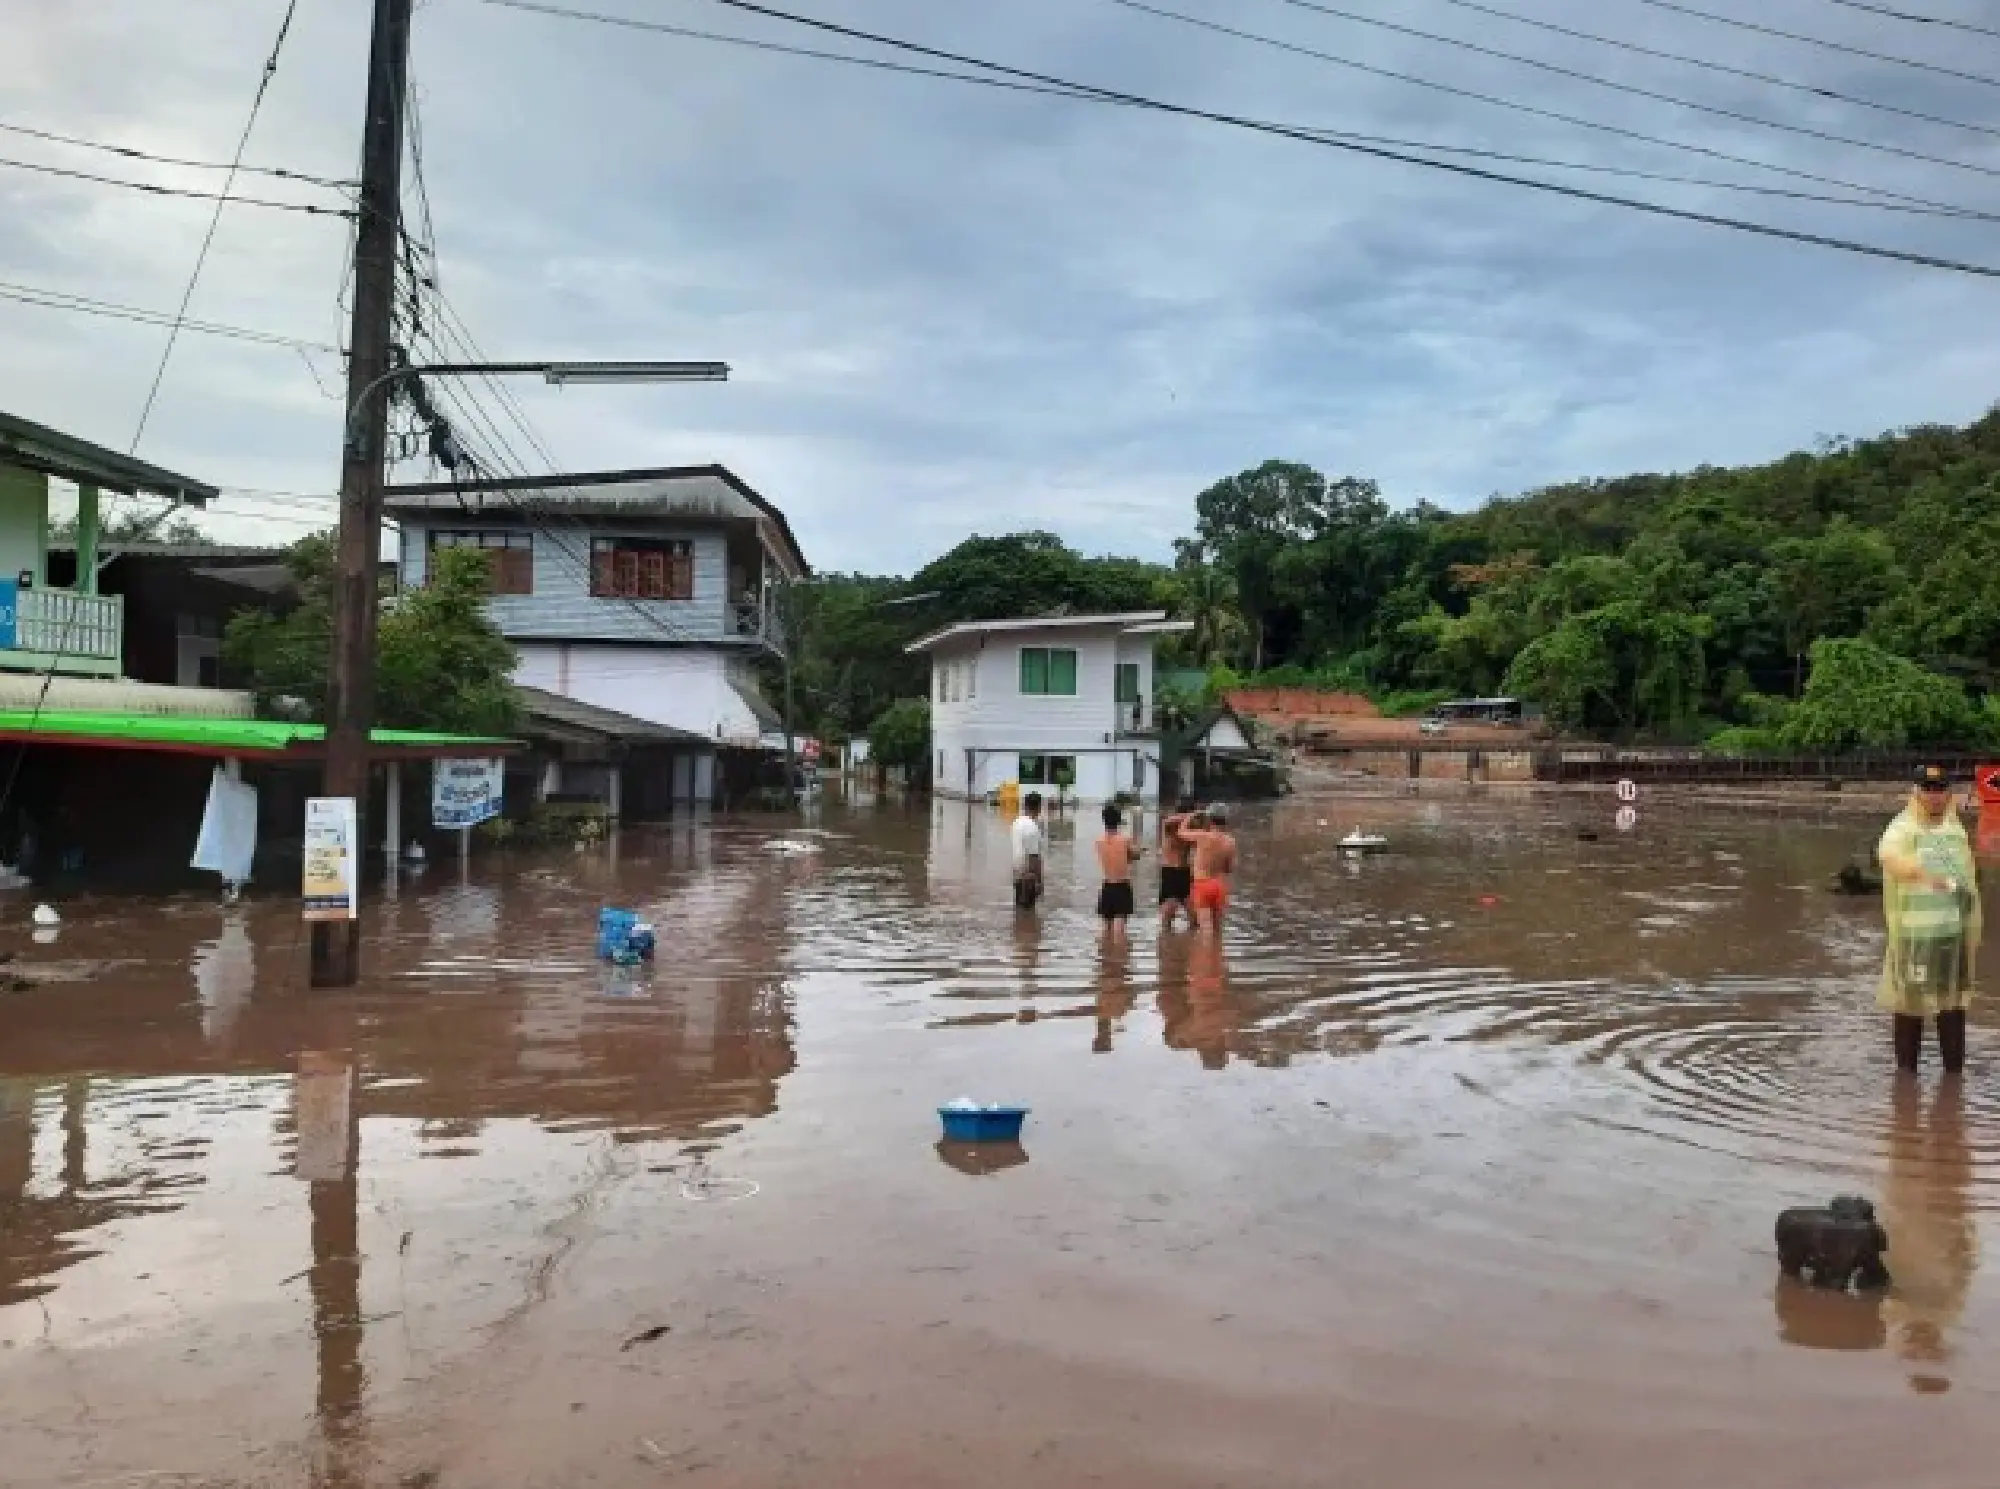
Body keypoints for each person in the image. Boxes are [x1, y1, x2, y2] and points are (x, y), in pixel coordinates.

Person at [1877, 765, 1982, 1076]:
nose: (1934, 796)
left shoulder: (1956, 831)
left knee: (1952, 1006)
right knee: (1910, 1008)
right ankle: (1906, 1082)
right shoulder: (1903, 827)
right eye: (1928, 789)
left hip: (1952, 934)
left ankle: (1954, 1076)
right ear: (1917, 792)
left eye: (1939, 789)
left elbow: (1967, 881)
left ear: (1949, 793)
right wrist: (1922, 874)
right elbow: (1887, 855)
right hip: (1914, 935)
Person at [1179, 802, 1238, 937]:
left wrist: (1190, 816)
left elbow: (1181, 832)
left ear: (1210, 819)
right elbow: (1230, 868)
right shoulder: (1230, 841)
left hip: (1202, 884)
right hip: (1220, 885)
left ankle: (1206, 956)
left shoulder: (1202, 836)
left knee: (1206, 930)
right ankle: (1217, 956)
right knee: (1217, 930)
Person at [1094, 803, 1143, 943]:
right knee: (1119, 929)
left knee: (1105, 927)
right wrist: (1139, 849)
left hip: (1107, 886)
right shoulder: (1125, 840)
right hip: (1122, 886)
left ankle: (1105, 955)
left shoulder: (1099, 841)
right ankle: (1119, 957)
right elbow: (1134, 856)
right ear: (1119, 820)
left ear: (1104, 821)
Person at [1158, 795, 1197, 931]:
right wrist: (1190, 816)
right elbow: (1167, 821)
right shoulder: (1170, 826)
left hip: (1185, 873)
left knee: (1195, 918)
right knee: (1167, 918)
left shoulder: (1191, 831)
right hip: (1170, 872)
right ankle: (1166, 946)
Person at [1010, 790, 1045, 912]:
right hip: (1029, 877)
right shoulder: (1033, 828)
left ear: (1025, 805)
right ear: (1039, 807)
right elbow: (1034, 858)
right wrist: (1040, 882)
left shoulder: (1016, 822)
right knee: (1028, 913)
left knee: (1019, 912)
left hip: (1017, 873)